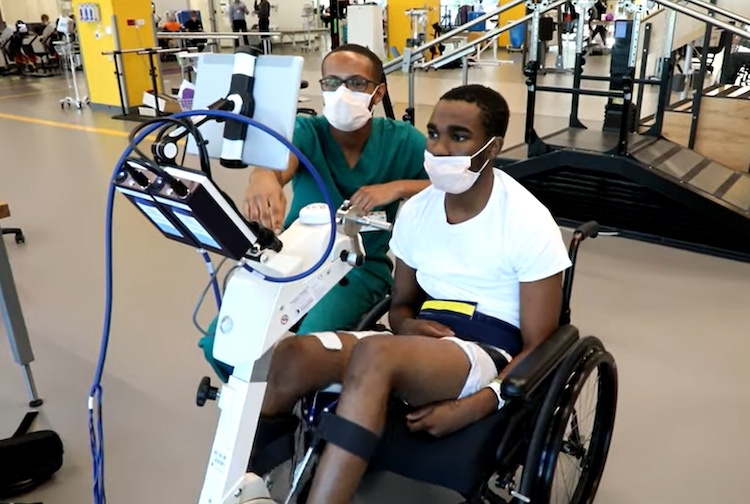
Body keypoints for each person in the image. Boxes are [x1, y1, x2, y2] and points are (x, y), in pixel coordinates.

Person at [255, 84, 572, 504]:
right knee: (290, 355)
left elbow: (540, 343)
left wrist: (476, 405)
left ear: (492, 148)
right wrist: (406, 324)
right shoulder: (419, 211)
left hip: (487, 348)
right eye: (434, 132)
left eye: (459, 136)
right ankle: (259, 482)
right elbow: (401, 303)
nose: (439, 148)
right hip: (418, 340)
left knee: (376, 355)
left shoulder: (527, 220)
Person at [198, 44, 429, 380]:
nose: (342, 92)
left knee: (304, 351)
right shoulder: (308, 132)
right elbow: (278, 165)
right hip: (296, 260)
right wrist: (262, 177)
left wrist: (396, 188)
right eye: (332, 83)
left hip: (358, 268)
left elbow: (449, 185)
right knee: (219, 343)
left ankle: (290, 413)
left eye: (357, 83)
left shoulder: (403, 141)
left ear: (378, 93)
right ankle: (263, 409)